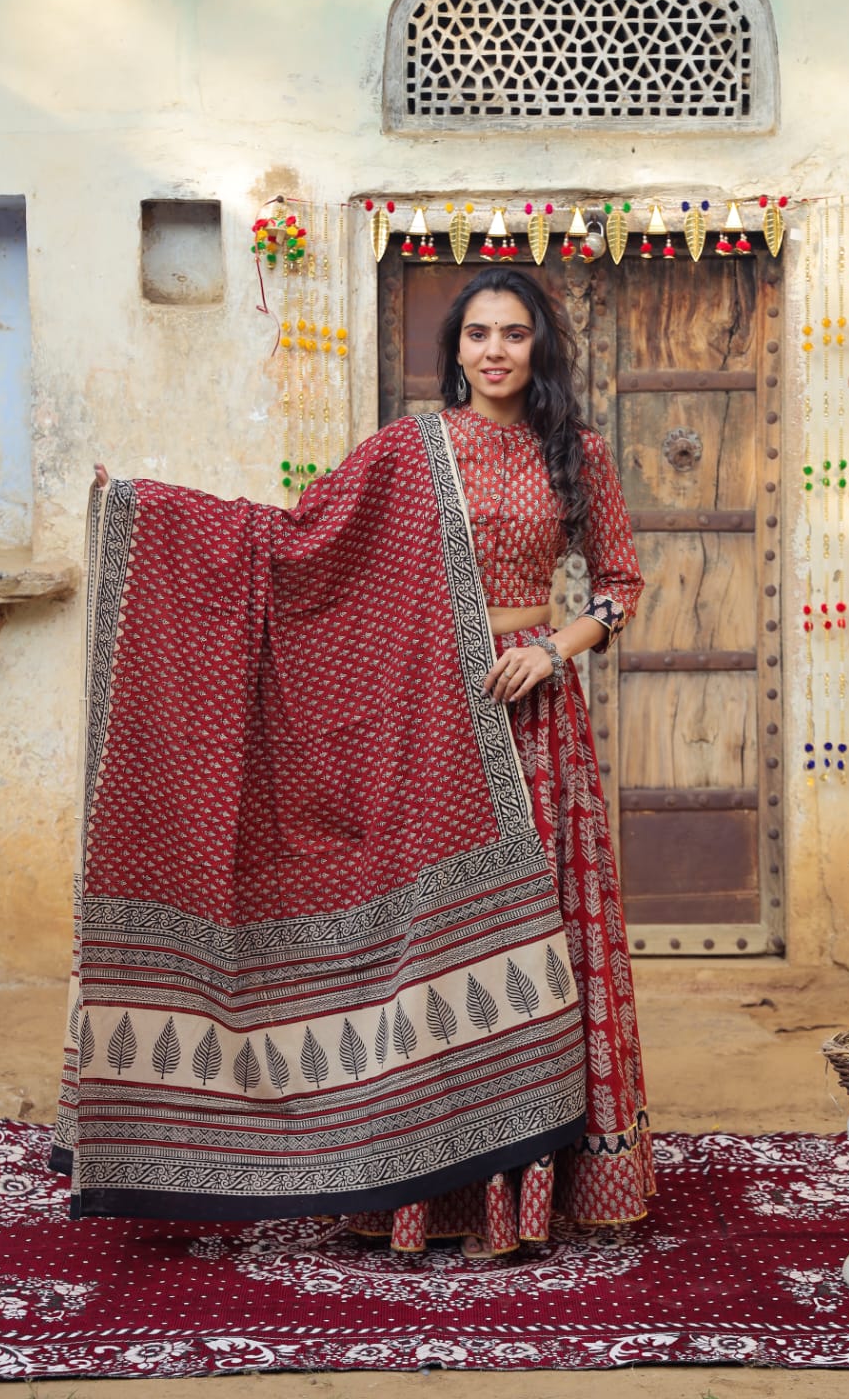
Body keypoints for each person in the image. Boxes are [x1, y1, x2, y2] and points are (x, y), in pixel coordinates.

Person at [56, 266, 651, 1256]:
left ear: (539, 346)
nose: (495, 351)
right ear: (454, 350)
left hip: (539, 726)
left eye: (513, 334)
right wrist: (148, 515)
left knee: (542, 944)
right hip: (432, 726)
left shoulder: (574, 453)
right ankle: (433, 1188)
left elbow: (620, 585)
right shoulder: (411, 449)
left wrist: (552, 650)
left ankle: (535, 1192)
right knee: (437, 950)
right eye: (477, 336)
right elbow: (300, 542)